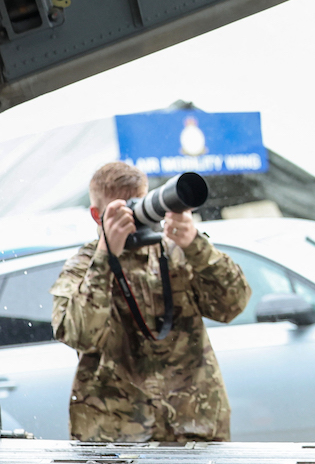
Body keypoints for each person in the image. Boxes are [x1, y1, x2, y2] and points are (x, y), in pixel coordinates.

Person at [49, 162, 251, 442]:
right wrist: (107, 258)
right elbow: (80, 335)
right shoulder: (83, 266)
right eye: (123, 209)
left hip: (194, 426)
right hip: (117, 437)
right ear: (97, 214)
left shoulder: (177, 253)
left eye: (139, 204)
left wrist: (195, 244)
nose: (135, 217)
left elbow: (232, 304)